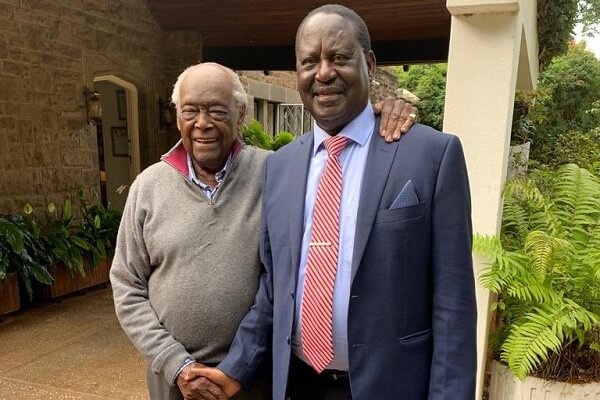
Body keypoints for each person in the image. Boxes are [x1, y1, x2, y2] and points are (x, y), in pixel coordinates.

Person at [195, 4, 477, 400]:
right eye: (309, 61)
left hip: (392, 387)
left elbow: (454, 304)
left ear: (370, 65)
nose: (323, 72)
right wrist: (236, 368)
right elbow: (276, 287)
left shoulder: (431, 155)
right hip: (298, 384)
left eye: (339, 57)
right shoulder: (280, 167)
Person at [110, 61, 417, 399]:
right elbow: (127, 285)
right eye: (190, 111)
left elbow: (333, 155)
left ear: (241, 114)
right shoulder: (148, 187)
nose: (202, 124)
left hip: (257, 373)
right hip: (172, 378)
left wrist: (375, 115)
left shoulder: (276, 171)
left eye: (216, 111)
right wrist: (175, 363)